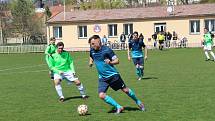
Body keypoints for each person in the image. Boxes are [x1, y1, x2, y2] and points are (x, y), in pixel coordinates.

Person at [88, 35, 145, 114]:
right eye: (91, 44)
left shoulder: (107, 50)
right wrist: (91, 62)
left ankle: (138, 102)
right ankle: (118, 107)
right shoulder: (92, 50)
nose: (92, 45)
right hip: (102, 78)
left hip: (113, 75)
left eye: (93, 43)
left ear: (98, 41)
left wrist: (110, 62)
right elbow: (91, 56)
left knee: (125, 90)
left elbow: (117, 61)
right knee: (101, 95)